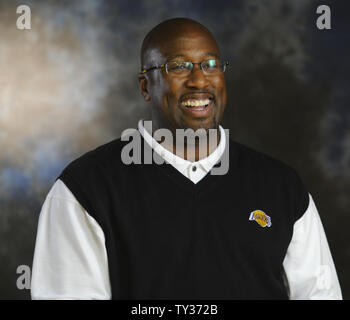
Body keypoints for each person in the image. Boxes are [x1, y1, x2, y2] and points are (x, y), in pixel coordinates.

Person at [31, 17, 342, 300]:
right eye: (178, 66)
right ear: (145, 86)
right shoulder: (86, 190)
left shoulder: (282, 187)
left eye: (210, 64)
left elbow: (320, 294)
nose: (199, 80)